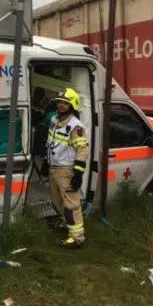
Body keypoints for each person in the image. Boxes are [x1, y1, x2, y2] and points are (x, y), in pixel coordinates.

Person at [42, 88, 90, 249]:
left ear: (73, 105)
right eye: (60, 102)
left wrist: (78, 173)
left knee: (71, 205)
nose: (62, 105)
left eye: (66, 103)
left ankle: (77, 238)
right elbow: (51, 143)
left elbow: (82, 150)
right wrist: (45, 161)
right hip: (54, 168)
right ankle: (66, 224)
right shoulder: (55, 121)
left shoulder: (76, 126)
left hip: (66, 170)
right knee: (57, 201)